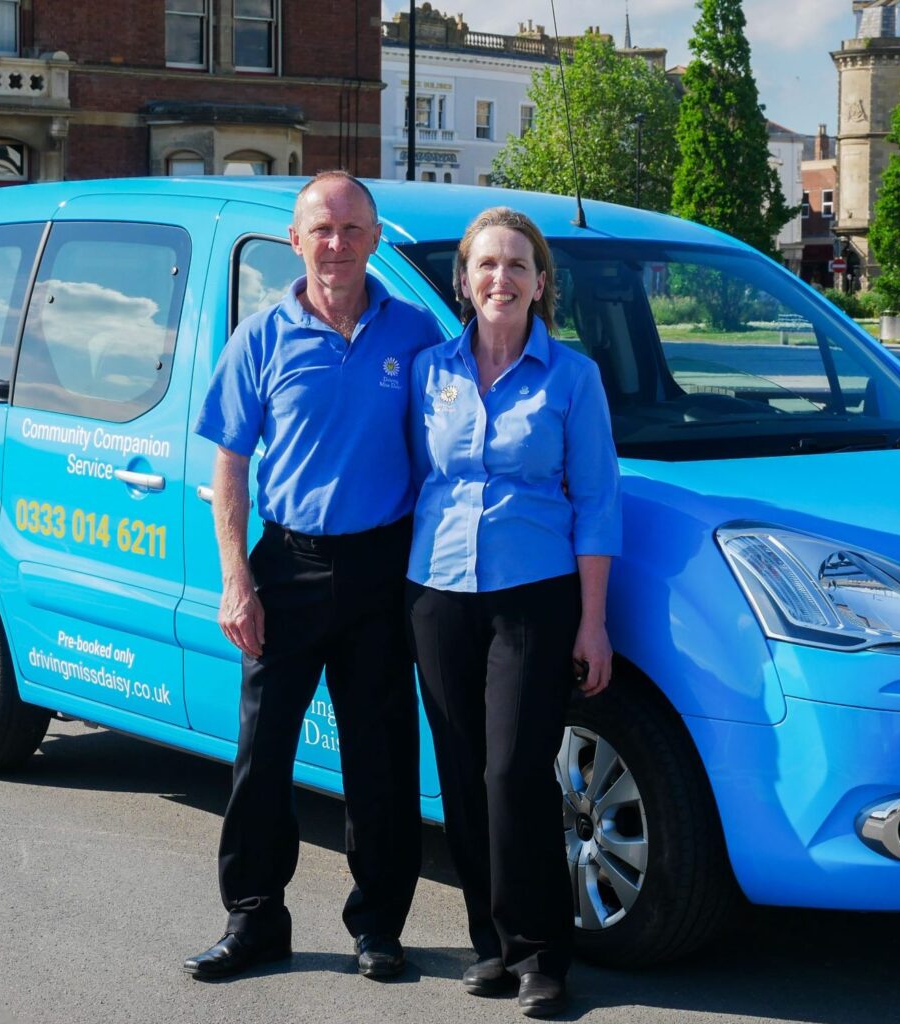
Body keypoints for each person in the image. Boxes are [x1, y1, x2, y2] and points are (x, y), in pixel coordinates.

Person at [184, 171, 443, 982]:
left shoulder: (415, 334)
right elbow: (228, 465)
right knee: (263, 757)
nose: (335, 243)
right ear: (296, 240)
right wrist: (236, 580)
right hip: (286, 567)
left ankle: (379, 928)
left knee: (381, 756)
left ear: (374, 239)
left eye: (350, 229)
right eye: (320, 229)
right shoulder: (260, 337)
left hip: (381, 566)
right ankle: (255, 920)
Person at [406, 207, 621, 1017]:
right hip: (436, 593)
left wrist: (592, 621)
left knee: (514, 773)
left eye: (517, 265)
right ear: (464, 280)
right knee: (461, 769)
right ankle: (489, 944)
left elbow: (598, 503)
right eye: (486, 264)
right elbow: (410, 480)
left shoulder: (573, 379)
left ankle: (542, 954)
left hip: (534, 596)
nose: (501, 278)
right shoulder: (431, 372)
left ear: (541, 284)